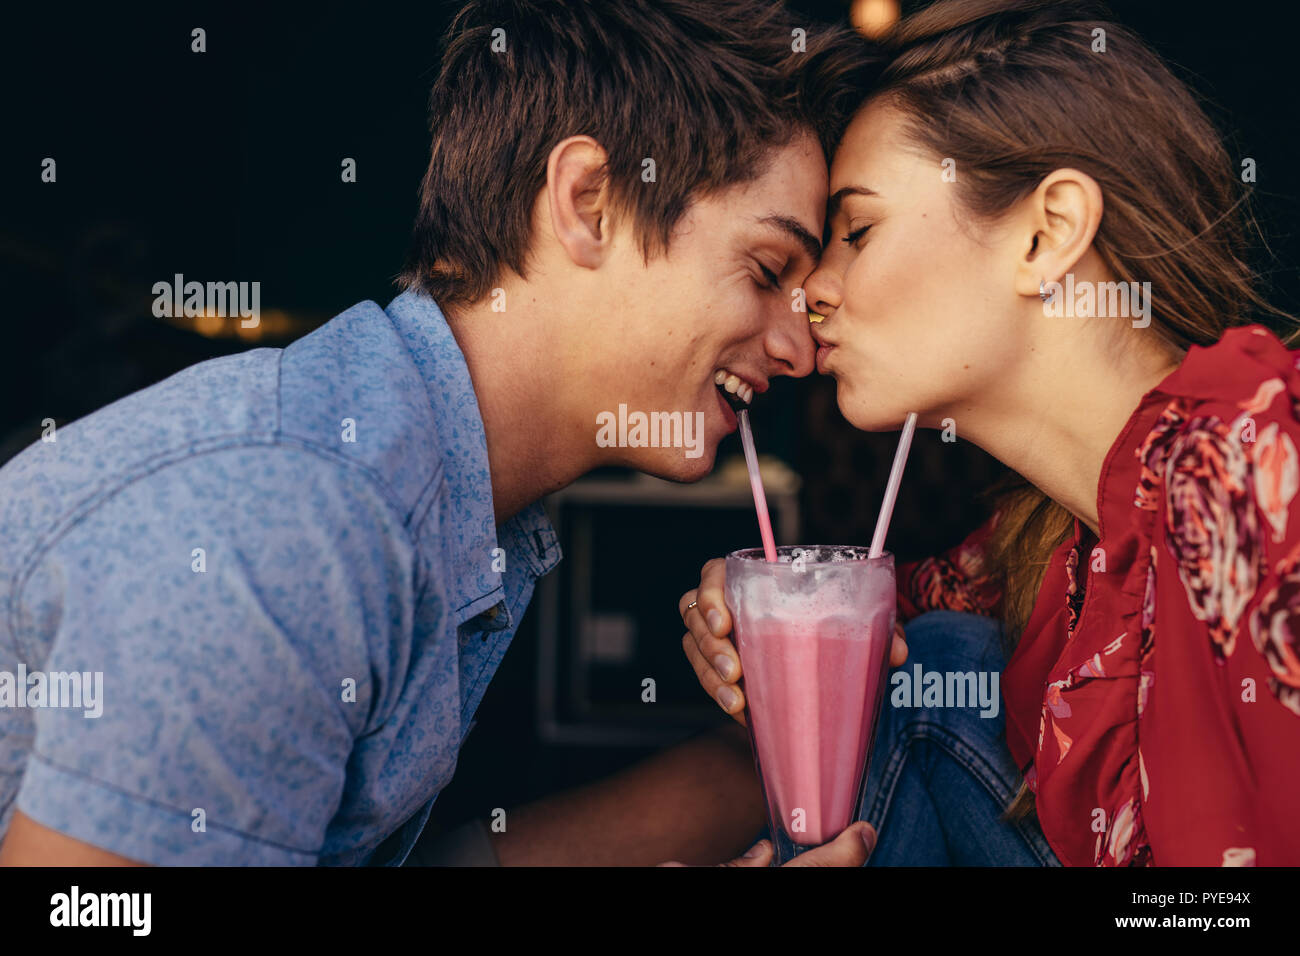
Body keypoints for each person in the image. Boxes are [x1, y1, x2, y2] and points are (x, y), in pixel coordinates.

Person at [0, 0, 879, 867]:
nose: (799, 347)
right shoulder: (299, 519)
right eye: (768, 271)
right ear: (589, 202)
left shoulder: (439, 489)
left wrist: (778, 726)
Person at [681, 0, 1300, 866]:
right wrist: (775, 621)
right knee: (923, 665)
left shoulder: (1262, 471)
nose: (812, 290)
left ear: (1048, 234)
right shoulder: (1046, 549)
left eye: (858, 231)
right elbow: (890, 630)